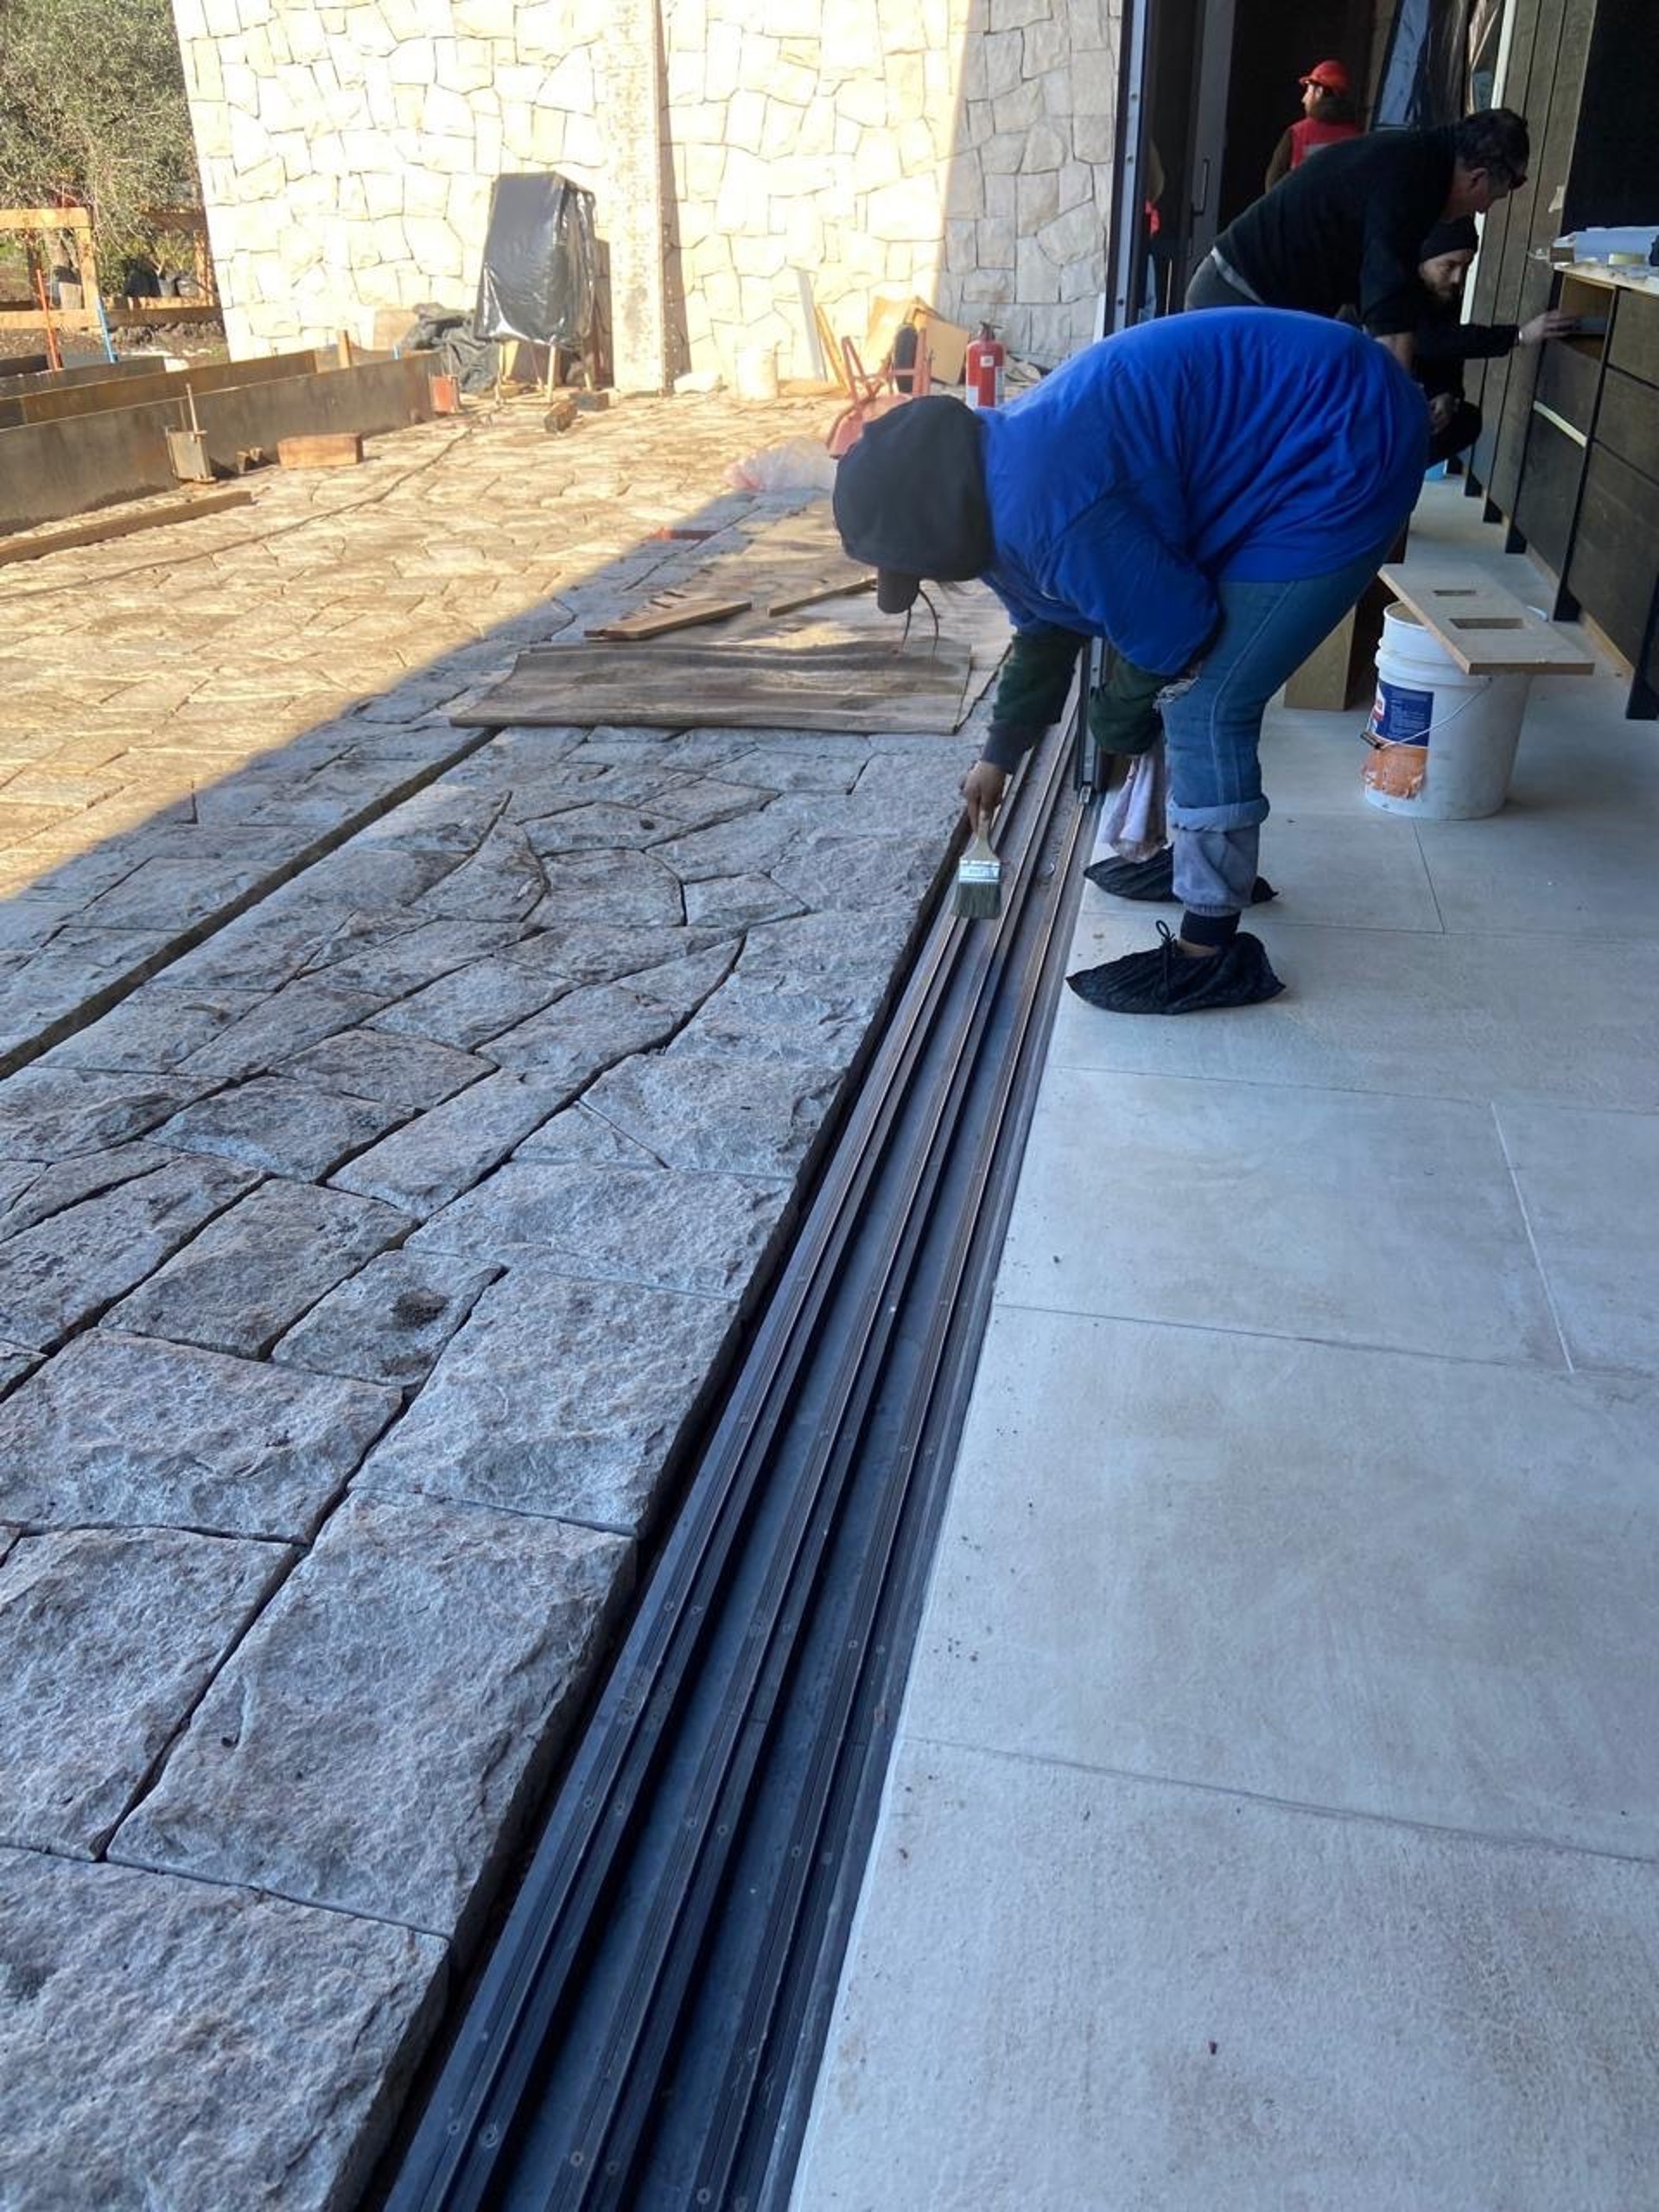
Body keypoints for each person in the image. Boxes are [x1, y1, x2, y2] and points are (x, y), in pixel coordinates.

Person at [830, 310, 1427, 1015]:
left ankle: (1211, 953)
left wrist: (1114, 720)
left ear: (937, 526)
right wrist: (999, 755)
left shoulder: (1045, 511)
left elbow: (1177, 631)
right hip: (1293, 414)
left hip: (1342, 432)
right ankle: (1196, 854)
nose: (928, 578)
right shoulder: (987, 484)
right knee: (1177, 690)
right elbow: (1044, 629)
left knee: (1207, 701)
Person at [1186, 107, 1530, 369]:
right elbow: (1388, 308)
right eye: (1493, 198)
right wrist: (1395, 404)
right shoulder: (1413, 179)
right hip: (1239, 297)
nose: (1483, 209)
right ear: (1477, 178)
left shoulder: (1418, 163)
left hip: (1252, 300)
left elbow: (1388, 300)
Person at [1413, 216, 1577, 465]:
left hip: (1416, 404)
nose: (1458, 278)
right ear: (1422, 262)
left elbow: (1449, 356)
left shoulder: (1443, 294)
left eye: (1466, 267)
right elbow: (1433, 341)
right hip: (1375, 409)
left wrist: (1447, 395)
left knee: (1466, 421)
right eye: (1449, 266)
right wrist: (1519, 336)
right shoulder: (1397, 296)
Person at [1264, 60, 1362, 192]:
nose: (1303, 99)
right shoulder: (1359, 138)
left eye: (1308, 91)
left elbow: (1273, 189)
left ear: (1319, 92)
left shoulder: (1296, 134)